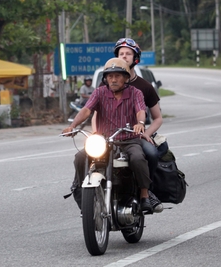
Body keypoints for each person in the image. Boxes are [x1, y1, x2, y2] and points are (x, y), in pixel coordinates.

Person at [62, 58, 161, 214]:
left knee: (138, 158)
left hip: (129, 140)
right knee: (80, 157)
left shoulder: (135, 93)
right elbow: (86, 110)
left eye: (117, 76)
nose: (113, 79)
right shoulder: (99, 92)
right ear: (105, 78)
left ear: (126, 78)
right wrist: (72, 126)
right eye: (110, 76)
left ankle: (144, 195)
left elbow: (141, 111)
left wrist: (140, 123)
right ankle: (81, 191)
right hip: (104, 141)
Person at [111, 38, 165, 212]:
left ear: (136, 58)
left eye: (128, 53)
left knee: (151, 153)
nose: (124, 56)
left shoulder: (145, 86)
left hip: (135, 136)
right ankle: (85, 192)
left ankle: (146, 192)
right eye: (121, 53)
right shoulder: (108, 83)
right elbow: (95, 111)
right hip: (110, 135)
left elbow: (157, 118)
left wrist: (146, 133)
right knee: (84, 156)